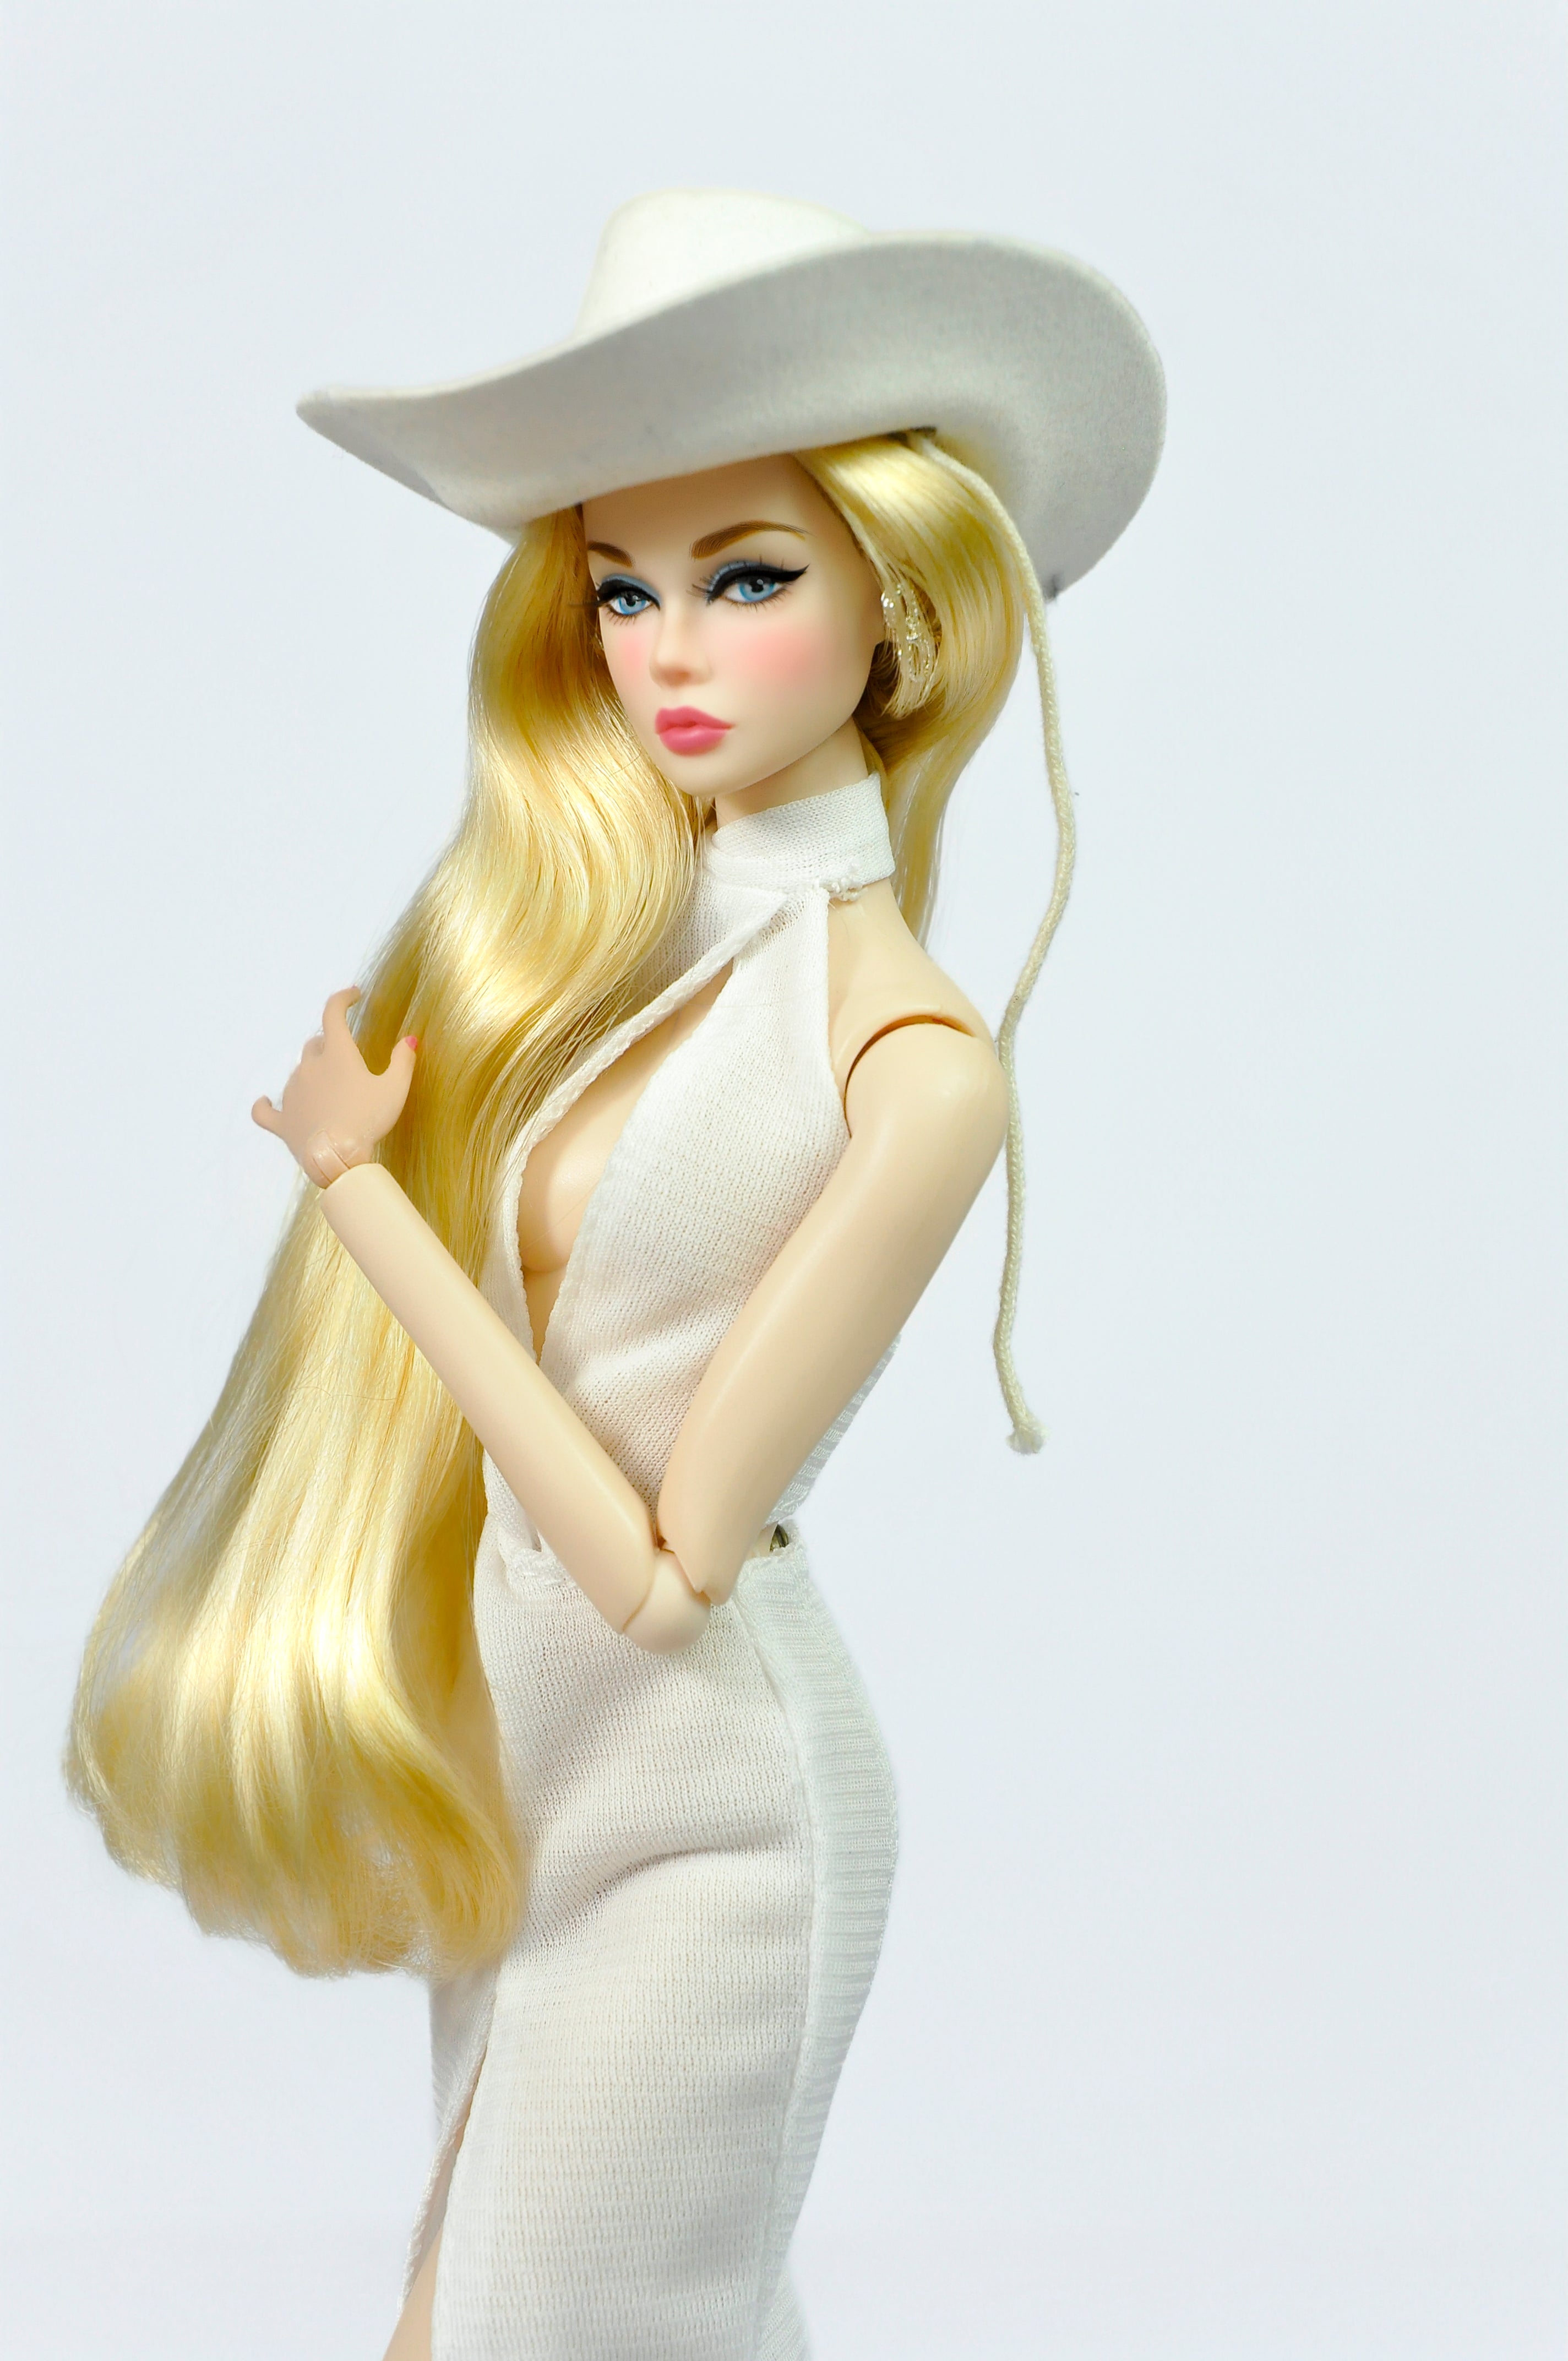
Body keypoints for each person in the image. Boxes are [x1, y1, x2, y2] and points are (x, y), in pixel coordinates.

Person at [68, 189, 1163, 2360]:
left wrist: (366, 1203)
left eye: (745, 580)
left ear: (901, 611)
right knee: (466, 2313)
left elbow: (667, 1572)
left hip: (706, 1818)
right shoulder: (618, 968)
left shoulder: (908, 1065)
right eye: (622, 588)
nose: (666, 649)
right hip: (544, 1784)